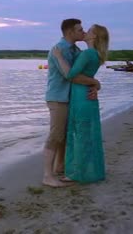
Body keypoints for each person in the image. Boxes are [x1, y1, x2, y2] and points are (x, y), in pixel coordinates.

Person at [43, 19, 101, 188]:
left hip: (71, 98)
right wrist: (94, 82)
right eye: (80, 30)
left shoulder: (75, 50)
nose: (83, 32)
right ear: (70, 32)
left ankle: (60, 166)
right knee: (55, 135)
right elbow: (71, 75)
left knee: (65, 135)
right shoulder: (59, 49)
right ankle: (47, 175)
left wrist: (95, 83)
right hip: (58, 97)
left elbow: (81, 73)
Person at [53, 24, 110, 184]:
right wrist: (95, 83)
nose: (85, 32)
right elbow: (84, 74)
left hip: (80, 97)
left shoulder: (87, 54)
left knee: (79, 135)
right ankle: (88, 171)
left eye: (89, 31)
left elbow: (71, 75)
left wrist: (58, 57)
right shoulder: (96, 55)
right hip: (87, 96)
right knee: (86, 135)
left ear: (94, 37)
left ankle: (75, 174)